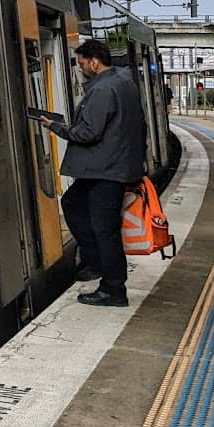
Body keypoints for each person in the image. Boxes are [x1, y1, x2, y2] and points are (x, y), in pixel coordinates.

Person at [39, 39, 146, 308]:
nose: (81, 68)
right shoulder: (124, 82)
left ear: (94, 61)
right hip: (112, 166)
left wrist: (56, 126)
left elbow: (87, 133)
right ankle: (97, 263)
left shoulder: (102, 90)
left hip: (105, 170)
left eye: (81, 63)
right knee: (73, 203)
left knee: (105, 229)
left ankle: (113, 289)